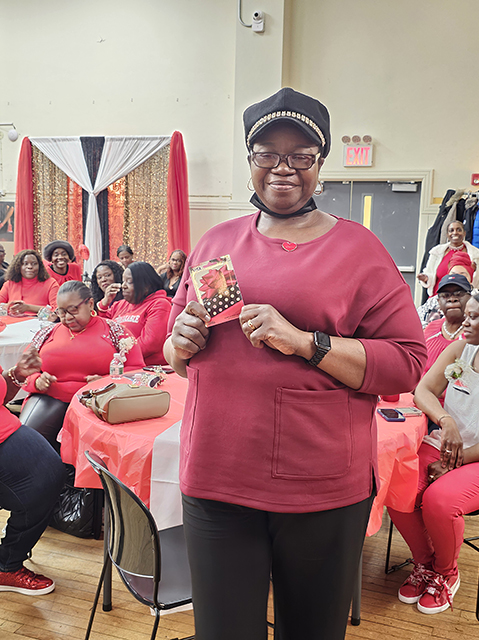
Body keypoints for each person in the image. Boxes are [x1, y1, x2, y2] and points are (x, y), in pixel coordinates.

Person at [163, 87, 427, 640]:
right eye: (267, 153)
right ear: (250, 160)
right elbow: (177, 356)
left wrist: (308, 342)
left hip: (319, 490)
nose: (283, 168)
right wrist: (178, 343)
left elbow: (407, 363)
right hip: (215, 478)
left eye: (301, 155)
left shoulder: (359, 250)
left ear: (320, 163)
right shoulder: (217, 241)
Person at [389, 292, 479, 614]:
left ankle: (446, 573)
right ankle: (425, 563)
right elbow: (423, 390)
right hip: (444, 444)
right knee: (397, 485)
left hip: (475, 457)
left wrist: (456, 461)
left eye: (474, 317)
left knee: (440, 501)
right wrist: (445, 420)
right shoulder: (460, 349)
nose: (465, 322)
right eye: (467, 315)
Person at [19, 280, 144, 448]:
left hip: (99, 401)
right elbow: (23, 369)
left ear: (90, 303)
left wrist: (108, 382)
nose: (67, 317)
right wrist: (36, 381)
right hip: (49, 397)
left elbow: (137, 371)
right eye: (62, 312)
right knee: (25, 442)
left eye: (73, 310)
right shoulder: (48, 333)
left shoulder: (115, 332)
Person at [0, 347, 65, 595]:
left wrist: (16, 375)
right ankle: (7, 565)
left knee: (46, 477)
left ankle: (7, 562)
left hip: (6, 428)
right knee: (38, 483)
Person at [97, 261, 171, 366]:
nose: (123, 286)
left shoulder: (159, 304)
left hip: (145, 369)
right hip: (117, 364)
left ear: (146, 286)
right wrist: (104, 304)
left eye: (129, 282)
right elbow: (99, 328)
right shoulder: (120, 305)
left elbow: (149, 343)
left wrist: (116, 356)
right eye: (123, 281)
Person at [423, 273, 471, 374]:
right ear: (438, 302)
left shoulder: (475, 333)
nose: (452, 299)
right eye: (445, 295)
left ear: (470, 298)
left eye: (459, 294)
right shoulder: (429, 329)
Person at [417, 220, 479, 296]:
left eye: (459, 230)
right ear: (447, 234)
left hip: (464, 299)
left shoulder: (475, 254)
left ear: (464, 233)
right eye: (451, 230)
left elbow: (477, 282)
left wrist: (474, 271)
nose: (455, 233)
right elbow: (429, 273)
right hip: (438, 298)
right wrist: (426, 278)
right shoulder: (436, 252)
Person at [417, 253, 475, 329]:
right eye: (453, 274)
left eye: (462, 275)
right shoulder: (433, 301)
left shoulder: (476, 300)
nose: (452, 299)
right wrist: (428, 330)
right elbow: (416, 319)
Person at [0, 250, 59, 316]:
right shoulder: (9, 284)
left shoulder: (51, 283)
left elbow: (57, 310)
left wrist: (28, 308)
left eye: (34, 264)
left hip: (39, 321)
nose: (30, 267)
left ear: (40, 266)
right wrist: (9, 306)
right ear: (18, 267)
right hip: (11, 321)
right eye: (25, 264)